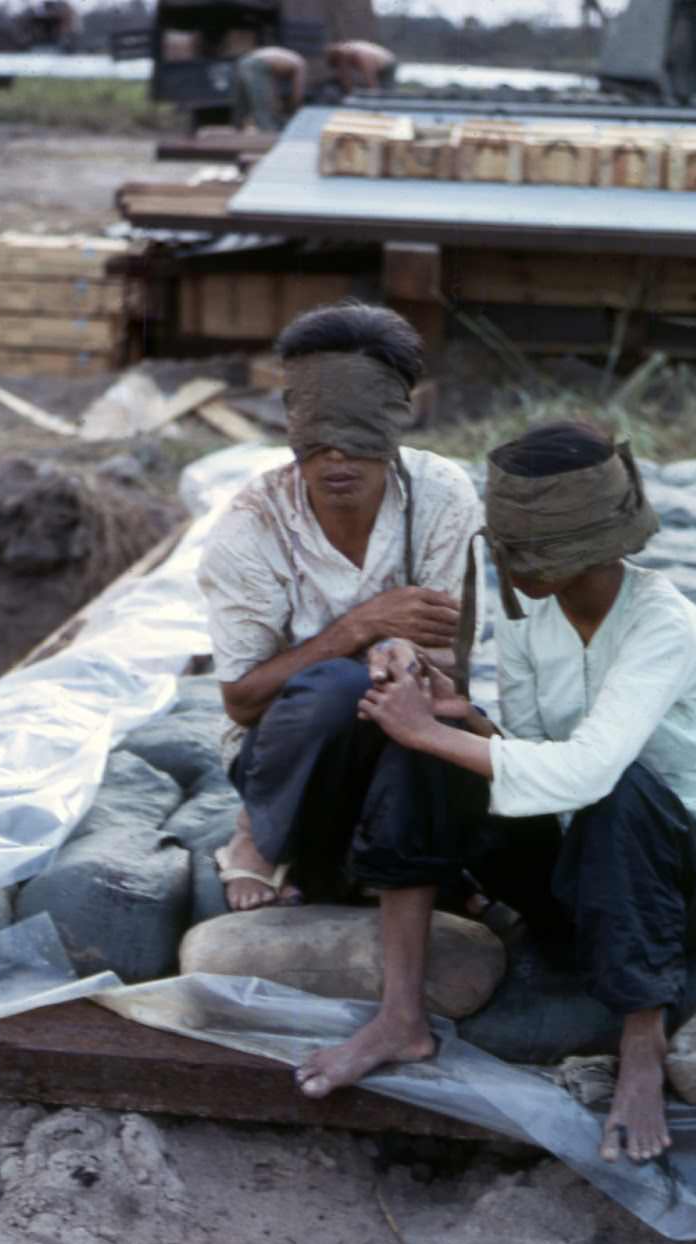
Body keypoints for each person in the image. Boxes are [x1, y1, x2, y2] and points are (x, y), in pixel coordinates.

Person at [356, 421, 696, 1166]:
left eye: (530, 552)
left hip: (677, 881)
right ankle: (400, 1013)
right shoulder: (530, 611)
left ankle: (642, 1045)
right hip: (573, 862)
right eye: (507, 550)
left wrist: (431, 730)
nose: (510, 570)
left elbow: (588, 773)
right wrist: (459, 718)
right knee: (426, 757)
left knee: (620, 791)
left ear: (588, 544)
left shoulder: (665, 626)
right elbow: (529, 748)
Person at [197, 302, 486, 1092]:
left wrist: (406, 663)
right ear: (291, 432)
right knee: (332, 685)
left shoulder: (439, 496)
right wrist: (359, 628)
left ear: (396, 431)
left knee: (435, 721)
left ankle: (403, 997)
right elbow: (241, 701)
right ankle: (262, 827)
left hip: (399, 724)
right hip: (290, 742)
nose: (337, 462)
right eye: (317, 441)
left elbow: (449, 659)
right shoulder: (252, 528)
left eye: (358, 442)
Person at [232, 45, 306, 132]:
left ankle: (238, 125)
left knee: (243, 100)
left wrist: (275, 98)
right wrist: (295, 108)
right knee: (262, 102)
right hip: (256, 64)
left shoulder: (287, 60)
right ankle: (267, 130)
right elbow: (298, 91)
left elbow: (271, 82)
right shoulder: (300, 65)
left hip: (244, 61)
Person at [326, 40, 398, 95]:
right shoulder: (343, 54)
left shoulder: (360, 56)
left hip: (387, 64)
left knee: (385, 90)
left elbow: (370, 77)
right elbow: (345, 76)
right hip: (375, 61)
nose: (342, 65)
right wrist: (349, 91)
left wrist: (374, 94)